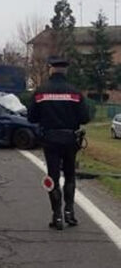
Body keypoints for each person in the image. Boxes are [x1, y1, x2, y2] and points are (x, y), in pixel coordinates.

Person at [27, 56, 91, 230]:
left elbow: (31, 117)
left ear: (50, 69)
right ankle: (69, 212)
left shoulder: (41, 92)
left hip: (50, 140)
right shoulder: (75, 92)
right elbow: (85, 117)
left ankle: (57, 216)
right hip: (70, 139)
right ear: (66, 70)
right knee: (69, 176)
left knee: (52, 177)